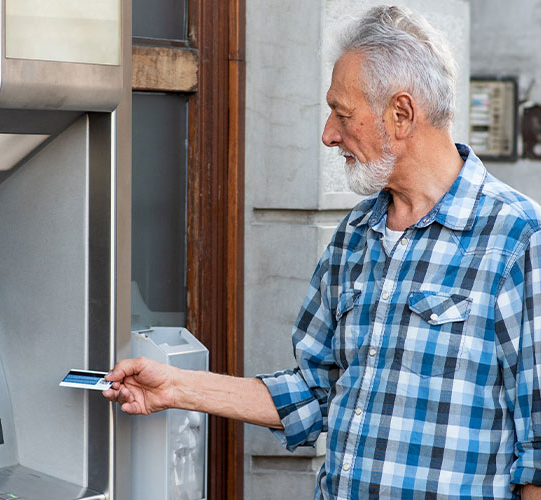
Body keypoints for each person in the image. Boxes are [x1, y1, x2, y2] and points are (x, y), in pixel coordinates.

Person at [104, 5, 541, 499]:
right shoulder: (354, 234)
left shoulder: (519, 238)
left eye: (342, 113)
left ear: (401, 114)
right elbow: (313, 394)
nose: (329, 134)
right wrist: (177, 387)